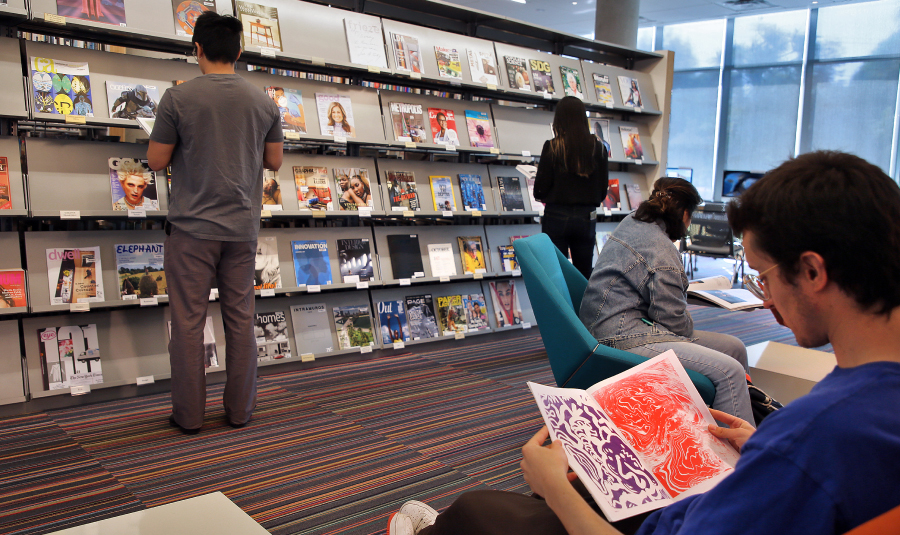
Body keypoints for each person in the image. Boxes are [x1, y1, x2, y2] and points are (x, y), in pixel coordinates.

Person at [386, 150, 900, 535]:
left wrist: (548, 489)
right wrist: (760, 449)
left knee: (488, 508)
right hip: (727, 494)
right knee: (602, 480)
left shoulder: (810, 443)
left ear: (811, 271)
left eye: (763, 277)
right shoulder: (855, 414)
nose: (765, 300)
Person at [147, 11, 283, 433]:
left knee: (188, 322)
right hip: (242, 229)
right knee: (241, 319)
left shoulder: (178, 99)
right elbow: (274, 161)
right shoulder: (264, 102)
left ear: (197, 49)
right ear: (239, 51)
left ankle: (188, 417)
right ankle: (240, 412)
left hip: (191, 229)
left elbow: (156, 160)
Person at [581, 177, 752, 422]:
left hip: (615, 323)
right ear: (684, 214)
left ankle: (745, 413)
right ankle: (739, 454)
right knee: (729, 371)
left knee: (734, 348)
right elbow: (674, 323)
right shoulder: (662, 251)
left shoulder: (633, 220)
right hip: (623, 336)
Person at [533, 96, 609, 279]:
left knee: (554, 272)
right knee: (583, 272)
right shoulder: (599, 149)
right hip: (586, 217)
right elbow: (602, 192)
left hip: (556, 216)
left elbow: (539, 190)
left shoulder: (552, 147)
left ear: (559, 119)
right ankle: (582, 308)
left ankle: (560, 308)